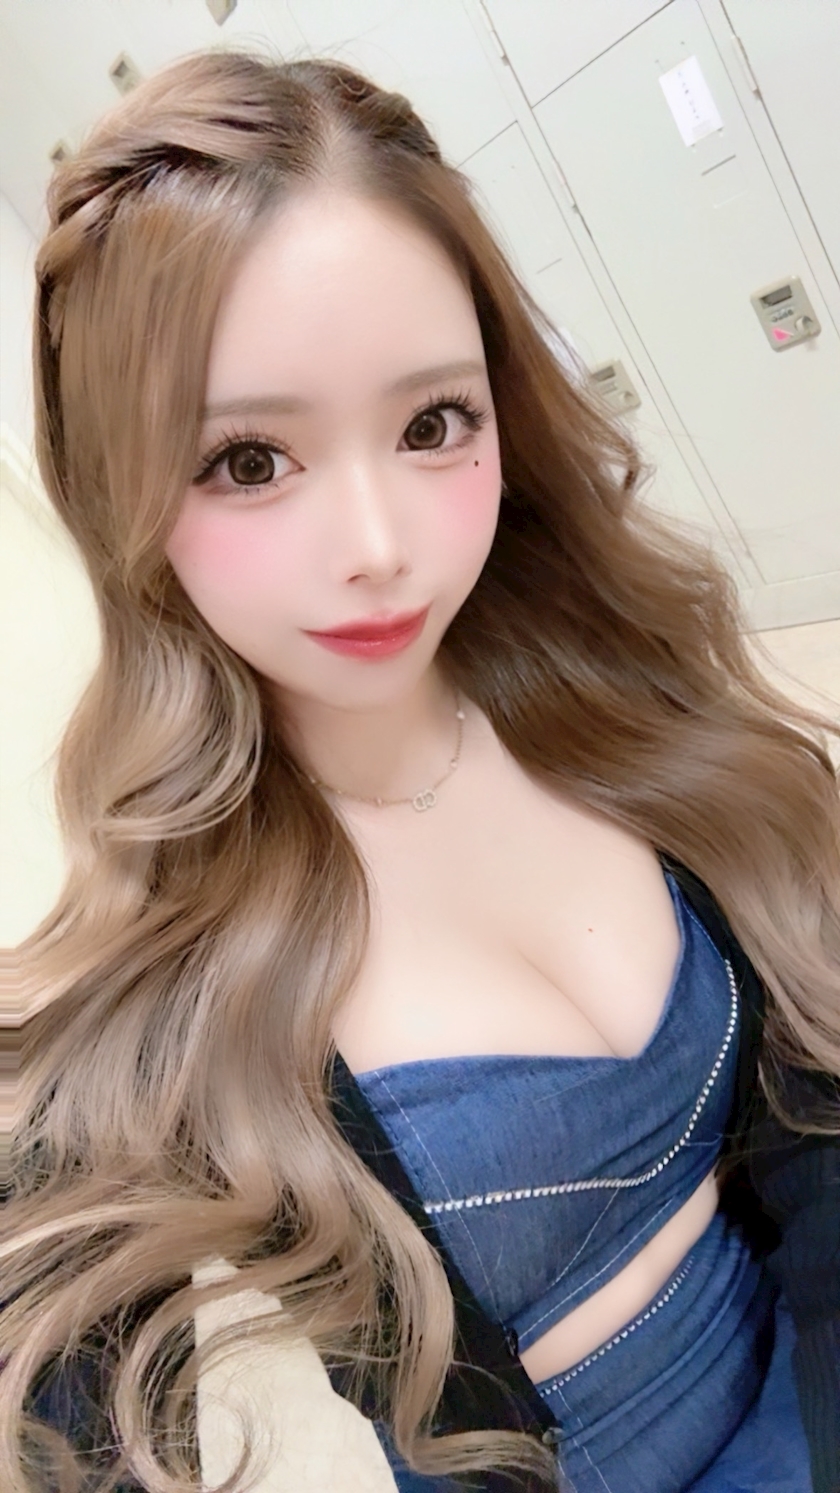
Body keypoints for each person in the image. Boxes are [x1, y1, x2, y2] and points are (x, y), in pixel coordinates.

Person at [2, 47, 838, 1493]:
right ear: (119, 492)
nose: (380, 545)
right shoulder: (161, 981)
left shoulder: (617, 717)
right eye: (248, 461)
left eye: (433, 424)